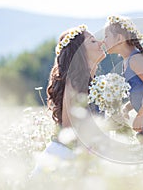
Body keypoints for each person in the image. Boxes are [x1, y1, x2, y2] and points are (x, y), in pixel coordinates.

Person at [32, 24, 105, 174]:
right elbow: (70, 129)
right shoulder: (76, 81)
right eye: (92, 41)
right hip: (65, 159)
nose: (100, 43)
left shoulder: (92, 81)